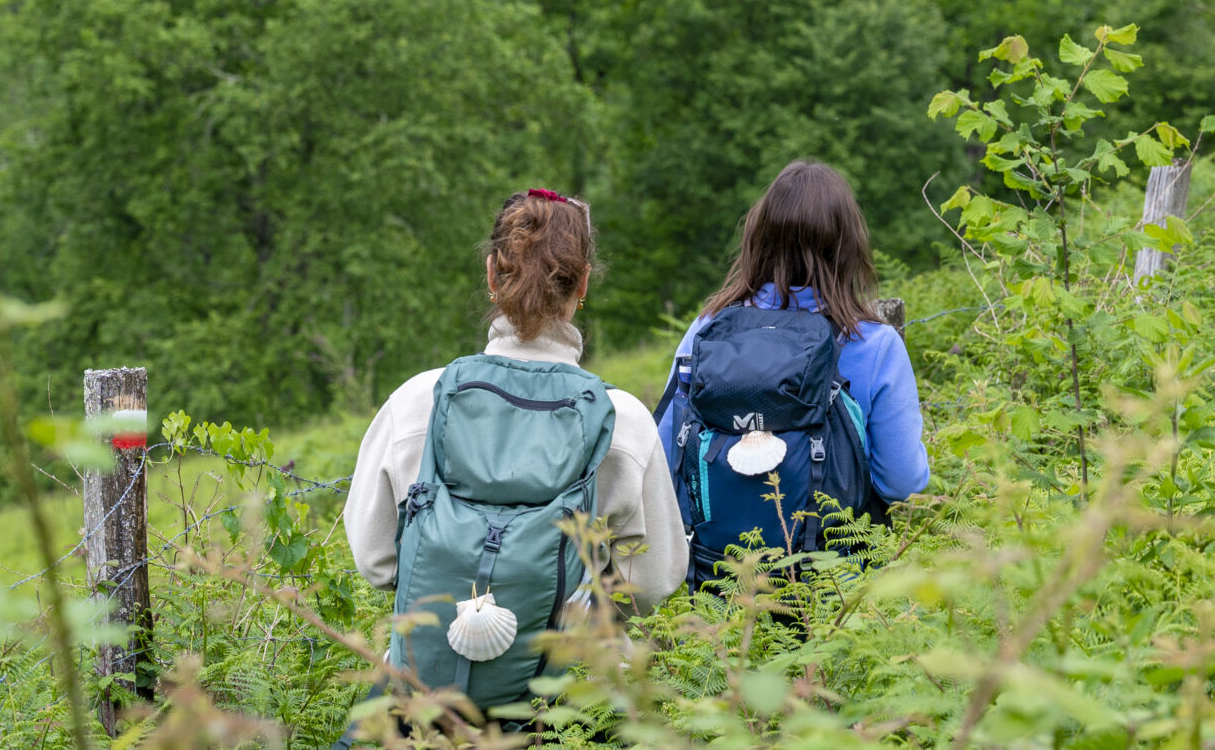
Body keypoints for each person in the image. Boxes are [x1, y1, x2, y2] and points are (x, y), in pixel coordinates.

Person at [345, 189, 685, 707]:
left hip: (427, 692)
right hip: (574, 704)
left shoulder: (417, 402)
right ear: (583, 282)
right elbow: (652, 582)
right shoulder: (622, 420)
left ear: (491, 274)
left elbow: (376, 561)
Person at [656, 161, 930, 578]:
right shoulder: (873, 343)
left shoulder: (708, 330)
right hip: (837, 587)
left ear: (759, 238)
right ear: (847, 246)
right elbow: (902, 482)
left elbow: (664, 459)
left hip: (723, 581)